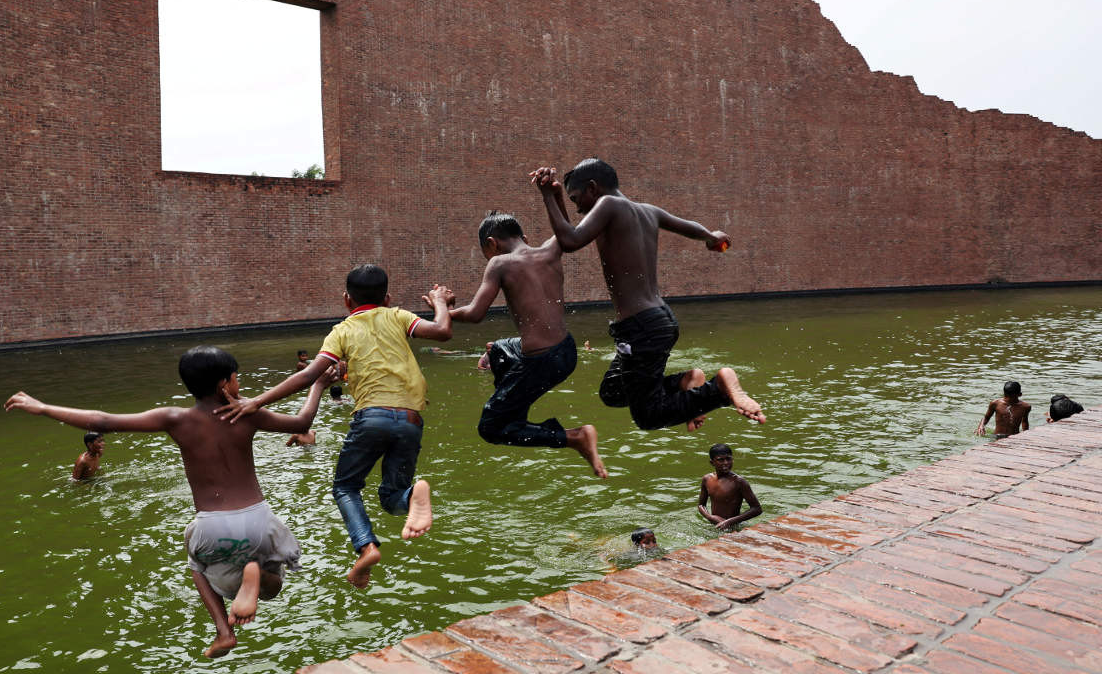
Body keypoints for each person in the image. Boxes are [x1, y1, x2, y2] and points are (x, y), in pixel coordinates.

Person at [4, 345, 335, 658]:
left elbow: (101, 420)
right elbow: (303, 422)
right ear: (224, 384)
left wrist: (43, 407)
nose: (239, 383)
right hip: (258, 518)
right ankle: (255, 572)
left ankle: (223, 632)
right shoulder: (246, 413)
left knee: (197, 566)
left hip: (211, 523)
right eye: (237, 377)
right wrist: (318, 385)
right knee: (273, 587)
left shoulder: (175, 419)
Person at [217, 265, 453, 589]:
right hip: (411, 418)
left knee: (345, 487)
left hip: (372, 416)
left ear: (346, 300)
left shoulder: (342, 330)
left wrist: (255, 401)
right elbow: (442, 330)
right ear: (388, 298)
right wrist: (439, 301)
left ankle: (366, 546)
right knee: (391, 497)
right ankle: (415, 494)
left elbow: (306, 376)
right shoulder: (398, 316)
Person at [529, 159, 765, 431]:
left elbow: (569, 241)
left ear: (593, 188)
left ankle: (719, 388)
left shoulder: (608, 205)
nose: (578, 208)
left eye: (576, 198)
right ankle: (685, 382)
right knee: (613, 392)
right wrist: (712, 237)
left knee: (648, 416)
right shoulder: (647, 211)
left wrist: (547, 197)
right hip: (654, 322)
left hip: (641, 327)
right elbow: (690, 227)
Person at [450, 212, 606, 478]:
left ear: (492, 244)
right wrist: (551, 193)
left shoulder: (499, 262)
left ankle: (575, 437)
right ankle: (510, 398)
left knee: (490, 427)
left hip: (542, 360)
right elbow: (567, 230)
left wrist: (444, 311)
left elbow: (476, 313)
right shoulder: (550, 249)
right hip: (567, 351)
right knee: (499, 349)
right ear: (524, 238)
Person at [697, 443, 762, 531]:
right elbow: (701, 505)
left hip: (733, 528)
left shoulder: (739, 482)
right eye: (721, 460)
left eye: (728, 459)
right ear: (712, 463)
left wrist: (728, 522)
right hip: (714, 525)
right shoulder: (707, 479)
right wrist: (710, 517)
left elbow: (757, 509)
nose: (726, 463)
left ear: (732, 459)